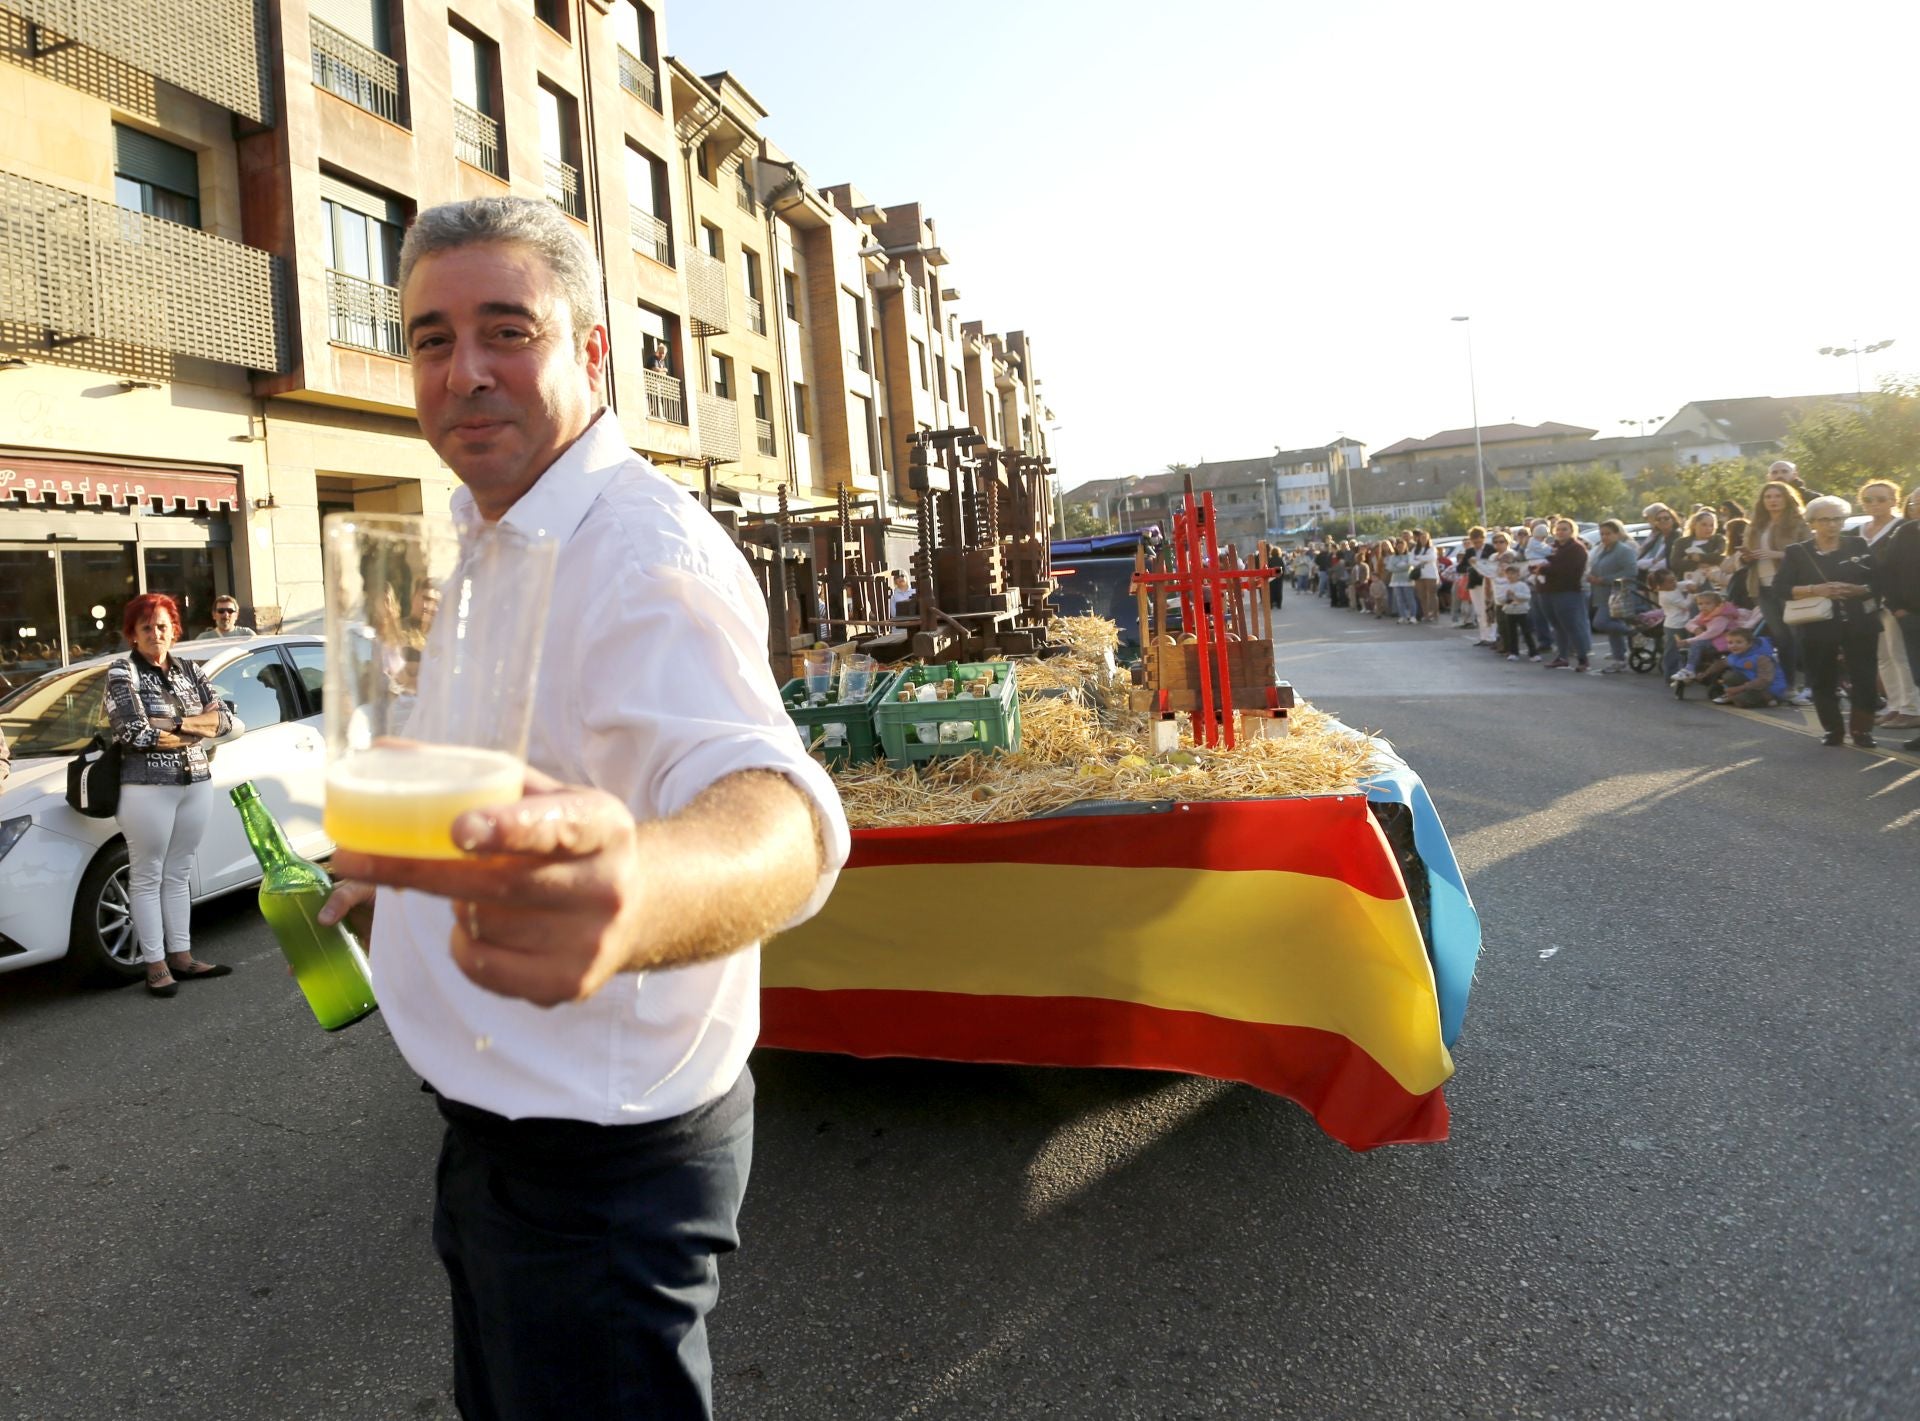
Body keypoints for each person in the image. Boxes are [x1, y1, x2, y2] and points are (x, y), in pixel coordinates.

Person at [313, 197, 850, 1420]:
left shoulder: (641, 552)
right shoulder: (481, 531)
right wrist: (389, 868)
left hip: (597, 1170)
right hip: (497, 1137)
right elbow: (495, 767)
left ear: (593, 351)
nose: (468, 372)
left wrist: (640, 892)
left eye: (509, 329)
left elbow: (775, 807)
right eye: (432, 339)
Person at [103, 592, 235, 996]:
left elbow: (226, 719)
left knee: (178, 872)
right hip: (146, 788)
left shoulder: (191, 669)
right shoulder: (122, 673)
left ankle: (182, 955)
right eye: (146, 627)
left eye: (162, 626)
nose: (155, 633)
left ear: (173, 630)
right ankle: (156, 965)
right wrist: (196, 729)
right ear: (133, 635)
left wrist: (172, 725)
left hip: (195, 782)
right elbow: (134, 733)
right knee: (147, 875)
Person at [1781, 495, 1881, 746]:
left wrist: (1857, 589)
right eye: (1825, 519)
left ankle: (1862, 731)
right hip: (1818, 624)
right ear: (1812, 522)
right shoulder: (1797, 552)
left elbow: (1879, 582)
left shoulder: (1857, 545)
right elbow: (1780, 588)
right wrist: (1815, 589)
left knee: (1864, 678)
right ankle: (1833, 730)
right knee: (1822, 678)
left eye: (1838, 519)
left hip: (1859, 623)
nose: (1832, 525)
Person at [1856, 480, 1918, 730]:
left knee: (1899, 653)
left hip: (1893, 600)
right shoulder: (1860, 529)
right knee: (1882, 655)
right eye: (1868, 499)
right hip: (1866, 600)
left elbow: (1897, 568)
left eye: (1881, 499)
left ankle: (1912, 708)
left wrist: (1896, 600)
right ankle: (1895, 705)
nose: (1874, 504)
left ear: (1894, 501)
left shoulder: (1902, 527)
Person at [1743, 479, 1812, 703]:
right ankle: (1788, 685)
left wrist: (1777, 554)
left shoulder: (1798, 523)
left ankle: (1810, 685)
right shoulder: (1755, 525)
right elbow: (1744, 556)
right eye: (1768, 497)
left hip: (1789, 587)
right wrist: (1746, 556)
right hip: (1761, 585)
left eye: (1777, 496)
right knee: (1781, 639)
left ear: (1787, 498)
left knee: (1800, 636)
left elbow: (1808, 552)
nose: (1772, 501)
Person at [1881, 487, 1920, 751]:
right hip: (1910, 615)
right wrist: (1897, 608)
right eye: (1916, 502)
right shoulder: (1906, 532)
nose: (1917, 506)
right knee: (1918, 673)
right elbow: (1888, 572)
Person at [1587, 519, 1640, 672]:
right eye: (1602, 534)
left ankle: (1632, 632)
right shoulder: (1602, 550)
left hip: (1619, 594)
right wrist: (1592, 576)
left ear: (1617, 534)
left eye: (1608, 534)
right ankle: (1619, 659)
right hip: (1602, 594)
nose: (1604, 537)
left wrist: (1603, 579)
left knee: (1600, 622)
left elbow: (1631, 572)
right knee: (1612, 630)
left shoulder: (1624, 550)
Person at [1540, 518, 1592, 671]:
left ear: (1572, 531)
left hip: (1568, 592)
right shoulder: (1552, 548)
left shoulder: (1576, 548)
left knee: (1572, 626)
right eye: (1558, 529)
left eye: (1564, 529)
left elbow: (1566, 570)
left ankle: (1583, 658)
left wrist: (1543, 569)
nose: (1561, 532)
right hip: (1548, 591)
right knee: (1557, 626)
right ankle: (1562, 657)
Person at [1713, 625, 1786, 708]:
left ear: (1749, 644)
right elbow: (1722, 663)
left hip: (1770, 688)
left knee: (1740, 701)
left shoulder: (1761, 657)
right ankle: (1738, 696)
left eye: (1739, 642)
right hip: (1753, 684)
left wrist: (1739, 689)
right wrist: (1703, 675)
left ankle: (1771, 699)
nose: (1734, 645)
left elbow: (1765, 680)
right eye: (1730, 642)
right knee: (1729, 676)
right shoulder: (1737, 654)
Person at [1650, 569, 1693, 679]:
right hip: (1674, 627)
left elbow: (1683, 584)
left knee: (1684, 649)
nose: (1674, 583)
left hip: (1684, 624)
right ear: (1661, 585)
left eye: (1674, 580)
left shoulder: (1673, 587)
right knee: (1672, 651)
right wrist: (1692, 594)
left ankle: (1683, 672)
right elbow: (1686, 605)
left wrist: (1690, 584)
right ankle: (1669, 674)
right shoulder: (1666, 596)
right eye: (1670, 581)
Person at [1494, 561, 1540, 661]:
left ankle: (1533, 653)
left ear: (1518, 574)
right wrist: (1507, 596)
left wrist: (1515, 595)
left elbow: (1527, 597)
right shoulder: (1505, 586)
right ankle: (1513, 652)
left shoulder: (1522, 585)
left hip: (1522, 612)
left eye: (1513, 574)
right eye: (1508, 574)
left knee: (1526, 632)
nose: (1510, 576)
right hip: (1509, 612)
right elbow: (1500, 599)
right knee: (1511, 633)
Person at [1671, 510, 1727, 584]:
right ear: (1694, 525)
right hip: (1685, 583)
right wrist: (1697, 565)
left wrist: (1699, 557)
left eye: (1711, 525)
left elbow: (1719, 557)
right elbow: (1675, 563)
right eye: (1704, 525)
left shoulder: (1718, 540)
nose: (1708, 528)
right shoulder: (1681, 542)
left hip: (1710, 583)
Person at [1408, 529, 1440, 622]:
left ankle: (1434, 613)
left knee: (1432, 595)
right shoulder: (1415, 549)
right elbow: (1411, 561)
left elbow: (1431, 557)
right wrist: (1422, 560)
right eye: (1422, 538)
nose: (1423, 539)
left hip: (1430, 574)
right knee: (1422, 595)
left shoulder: (1431, 548)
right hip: (1419, 575)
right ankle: (1426, 614)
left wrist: (1418, 558)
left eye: (1425, 538)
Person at [1385, 538, 1416, 622]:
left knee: (1409, 598)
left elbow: (1409, 566)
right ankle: (1403, 616)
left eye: (1402, 546)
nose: (1400, 548)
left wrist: (1398, 566)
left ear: (1405, 547)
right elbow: (1390, 568)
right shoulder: (1392, 557)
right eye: (1399, 547)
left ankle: (1413, 616)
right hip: (1396, 580)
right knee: (1399, 599)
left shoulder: (1409, 555)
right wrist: (1401, 567)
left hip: (1407, 579)